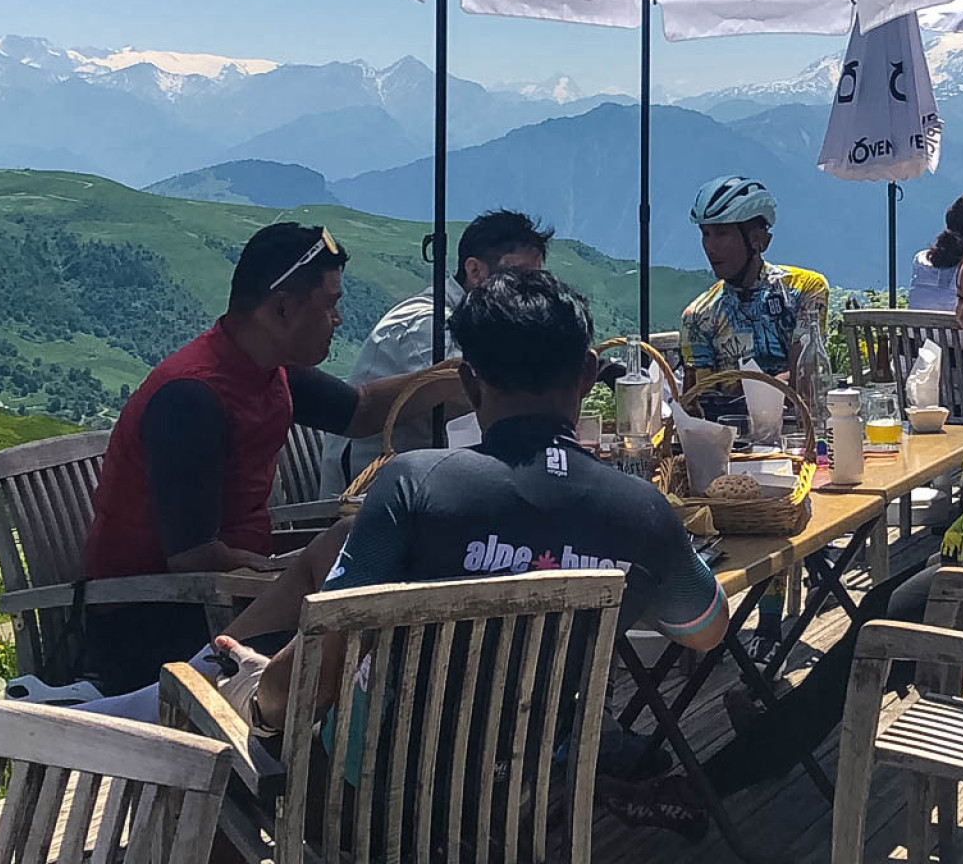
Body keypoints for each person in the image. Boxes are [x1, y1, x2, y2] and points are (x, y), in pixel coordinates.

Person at [601, 234, 963, 837]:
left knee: (874, 633)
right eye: (960, 299)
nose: (961, 319)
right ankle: (784, 726)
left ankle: (708, 787)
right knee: (877, 610)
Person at [209, 269, 730, 742]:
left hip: (370, 800)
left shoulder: (414, 485)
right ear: (588, 375)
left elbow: (323, 662)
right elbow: (706, 631)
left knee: (218, 728)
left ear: (467, 382)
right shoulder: (641, 510)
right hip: (533, 785)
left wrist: (256, 697)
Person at [76, 222, 465, 693]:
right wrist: (285, 569)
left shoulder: (264, 368)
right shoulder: (193, 397)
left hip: (229, 596)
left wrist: (443, 378)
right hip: (158, 621)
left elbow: (358, 410)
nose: (337, 319)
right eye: (329, 306)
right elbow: (193, 557)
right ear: (282, 309)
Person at [320, 209, 554, 494]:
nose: (529, 290)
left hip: (425, 477)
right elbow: (476, 397)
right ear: (475, 271)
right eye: (518, 276)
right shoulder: (427, 323)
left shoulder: (480, 322)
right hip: (368, 492)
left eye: (537, 280)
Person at [679, 176, 829, 388]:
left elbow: (804, 377)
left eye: (722, 234)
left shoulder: (805, 288)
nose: (710, 247)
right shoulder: (697, 316)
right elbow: (700, 396)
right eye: (706, 234)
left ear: (757, 240)